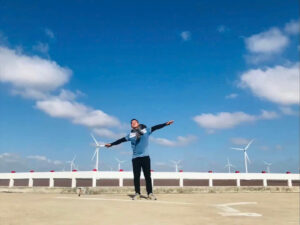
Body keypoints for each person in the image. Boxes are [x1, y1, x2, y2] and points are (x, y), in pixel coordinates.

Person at [105, 119, 174, 200]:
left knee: (147, 176)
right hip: (135, 158)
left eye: (134, 122)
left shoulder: (146, 130)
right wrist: (111, 144)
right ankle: (137, 193)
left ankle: (150, 193)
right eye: (131, 123)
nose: (133, 123)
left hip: (145, 157)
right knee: (136, 177)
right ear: (131, 125)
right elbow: (121, 140)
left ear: (138, 123)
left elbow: (156, 127)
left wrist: (166, 124)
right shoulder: (130, 135)